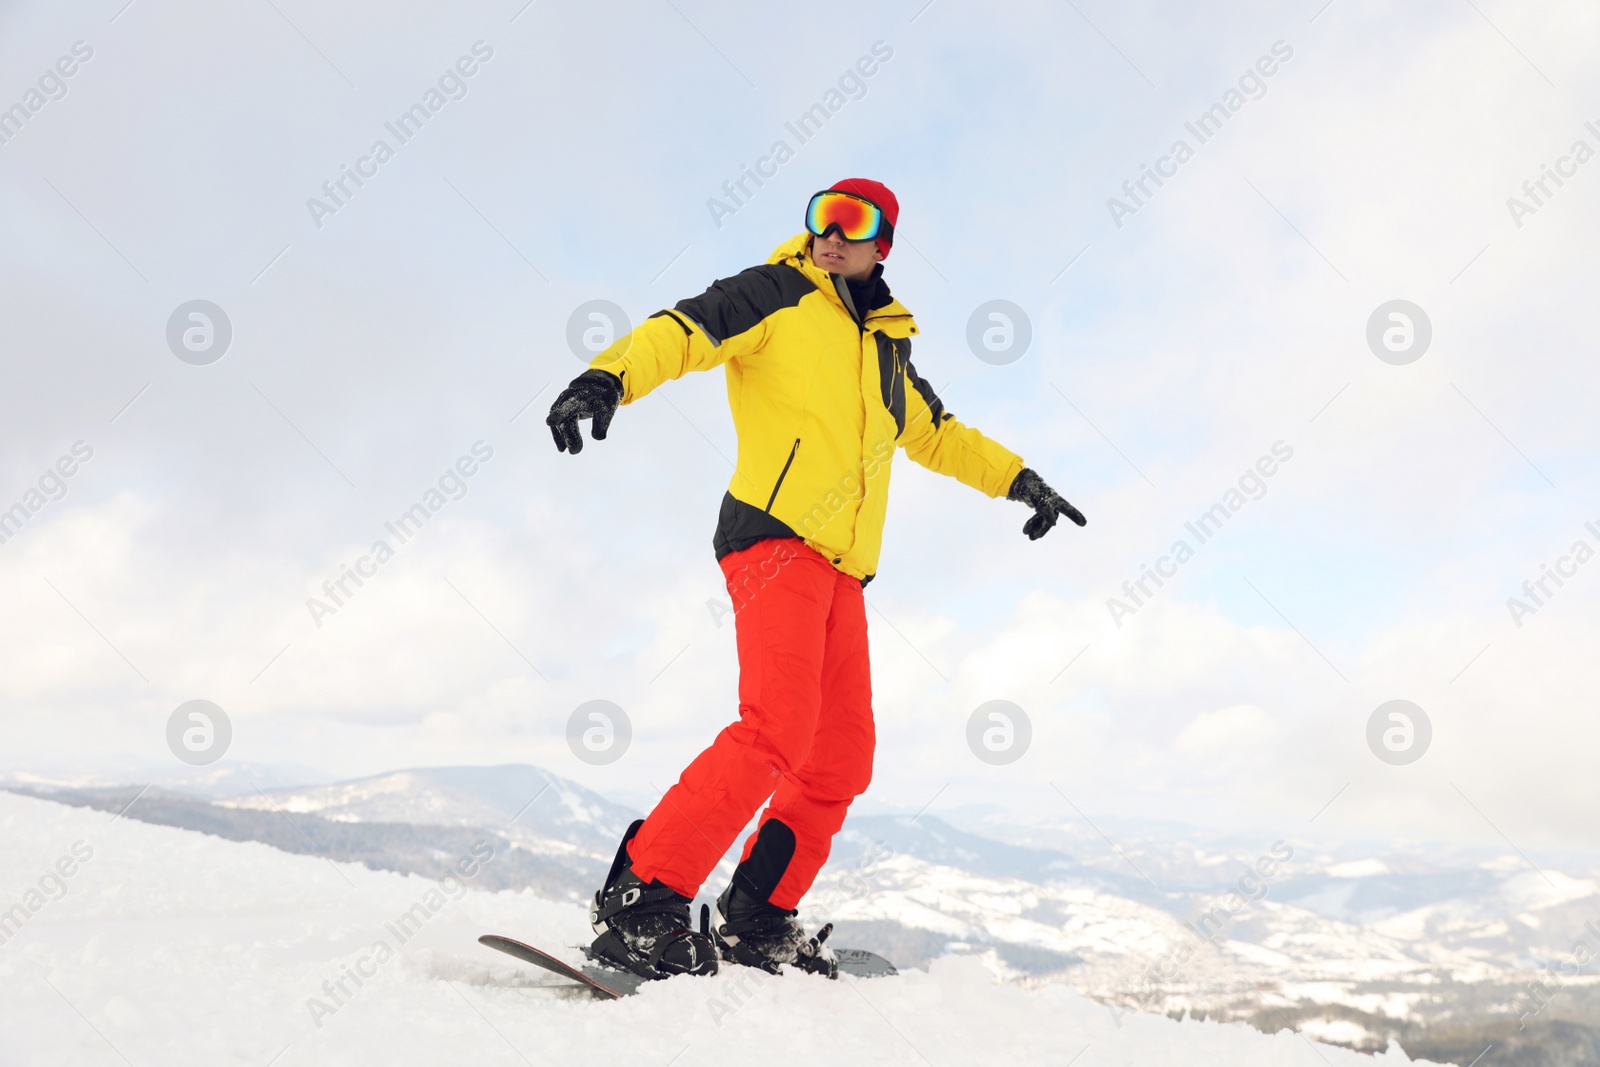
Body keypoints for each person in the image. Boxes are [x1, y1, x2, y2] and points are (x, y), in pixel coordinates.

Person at [546, 178, 1085, 981]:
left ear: (883, 244)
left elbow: (938, 435)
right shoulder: (777, 292)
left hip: (843, 565)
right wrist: (608, 376)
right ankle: (642, 900)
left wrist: (1021, 480)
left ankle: (757, 916)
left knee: (840, 756)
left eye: (852, 221)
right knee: (776, 726)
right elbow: (682, 330)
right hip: (773, 537)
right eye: (819, 216)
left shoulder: (887, 348)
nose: (830, 233)